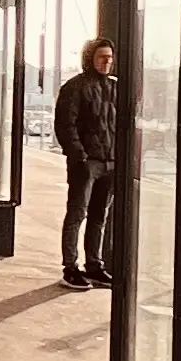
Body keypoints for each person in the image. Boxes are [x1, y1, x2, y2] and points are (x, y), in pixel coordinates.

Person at [53, 38, 126, 288]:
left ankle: (94, 265)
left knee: (99, 216)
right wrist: (79, 157)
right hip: (87, 164)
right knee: (77, 213)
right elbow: (65, 125)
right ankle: (70, 268)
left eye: (109, 57)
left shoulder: (116, 88)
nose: (106, 62)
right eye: (101, 57)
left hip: (110, 162)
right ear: (89, 60)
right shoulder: (74, 87)